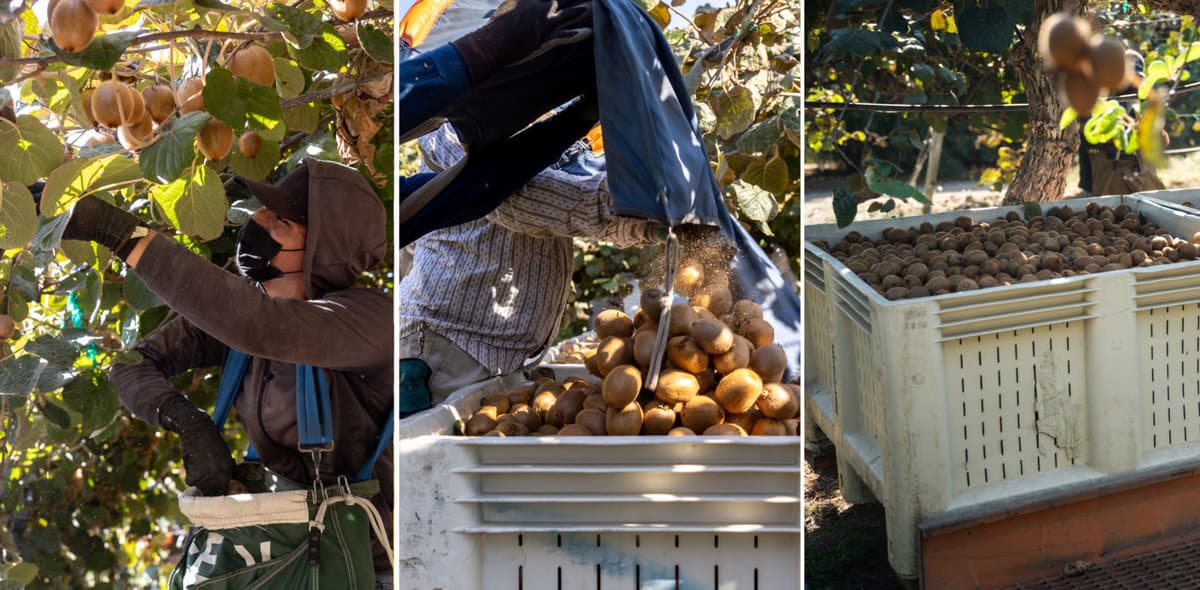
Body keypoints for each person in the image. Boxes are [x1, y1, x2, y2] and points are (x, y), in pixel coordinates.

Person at [57, 160, 394, 587]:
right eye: (264, 209)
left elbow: (259, 326)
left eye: (281, 220)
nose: (257, 218)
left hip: (356, 569)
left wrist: (121, 234)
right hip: (281, 551)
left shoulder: (369, 320)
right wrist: (187, 421)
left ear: (324, 249)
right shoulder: (243, 315)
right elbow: (134, 363)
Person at [397, 124, 663, 413]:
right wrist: (642, 217)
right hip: (448, 350)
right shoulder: (451, 110)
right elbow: (509, 195)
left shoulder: (552, 101)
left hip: (501, 357)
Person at [1078, 49, 1166, 196]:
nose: (1131, 86)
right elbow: (1090, 140)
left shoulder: (1141, 103)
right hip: (1110, 181)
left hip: (1143, 181)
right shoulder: (1100, 105)